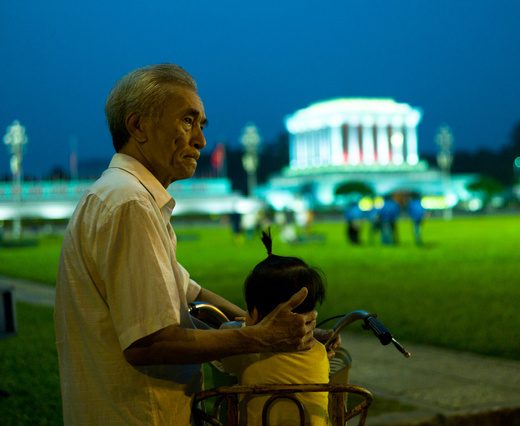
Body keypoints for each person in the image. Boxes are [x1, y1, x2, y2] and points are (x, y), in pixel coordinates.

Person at [54, 64, 328, 425]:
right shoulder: (129, 203)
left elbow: (188, 291)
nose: (200, 140)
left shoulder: (130, 198)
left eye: (201, 125)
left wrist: (280, 327)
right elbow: (149, 343)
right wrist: (259, 338)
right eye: (187, 121)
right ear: (138, 126)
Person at [221, 230, 330, 425]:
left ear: (257, 312)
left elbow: (224, 346)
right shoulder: (319, 352)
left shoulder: (246, 351)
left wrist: (244, 329)